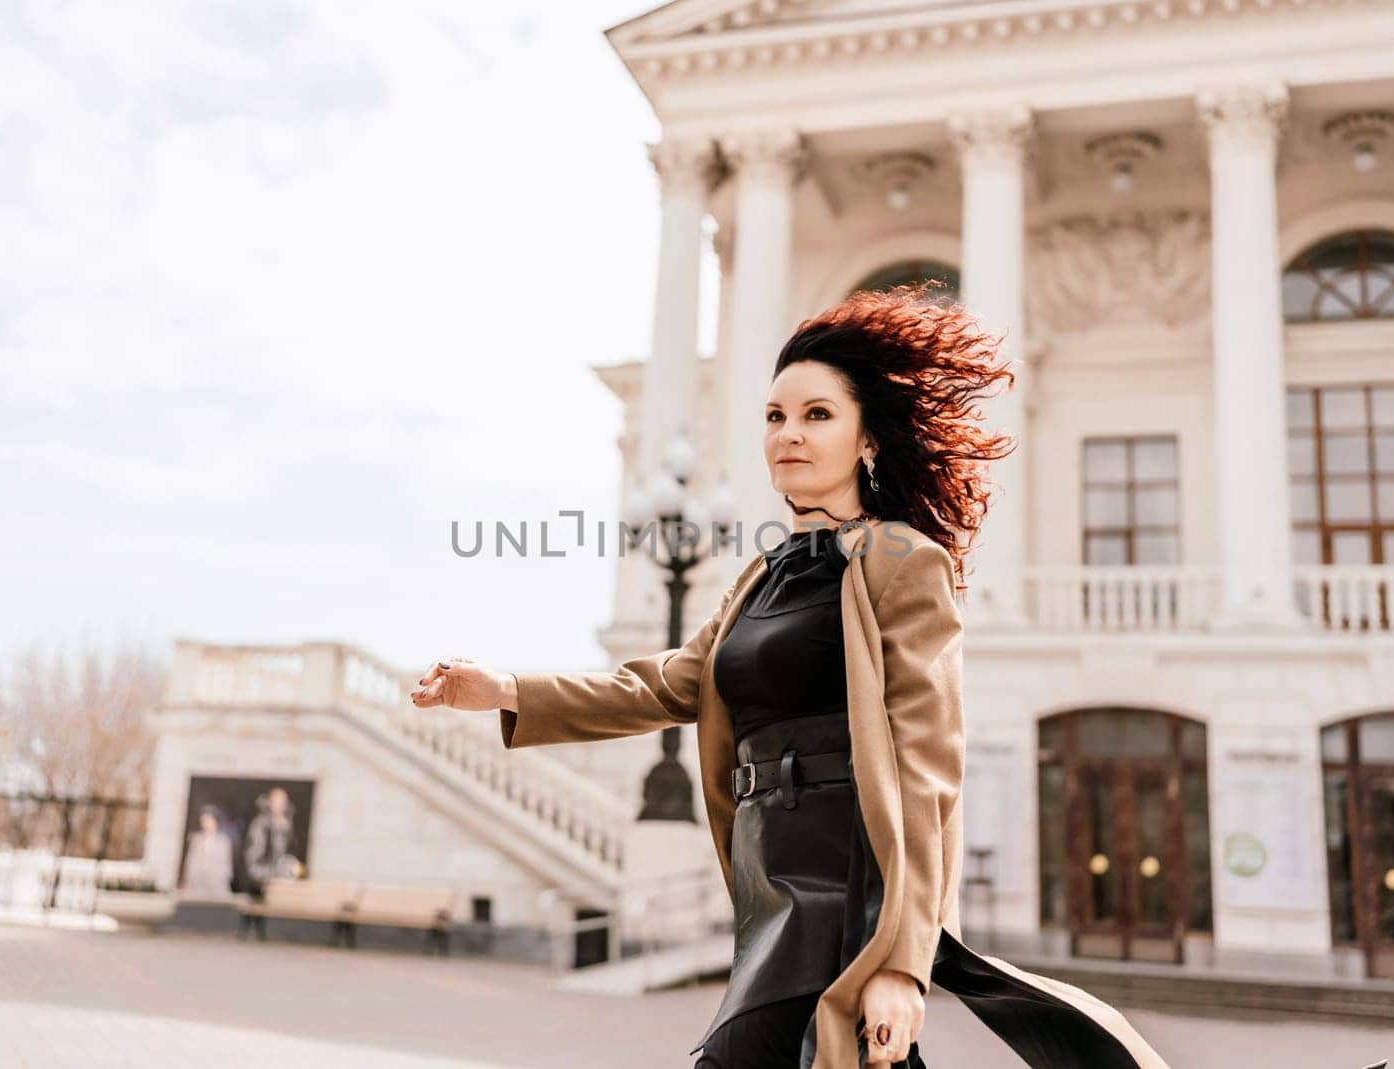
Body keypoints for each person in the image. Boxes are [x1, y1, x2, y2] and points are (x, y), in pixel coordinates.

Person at [411, 281, 1169, 1068]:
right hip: (770, 888)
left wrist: (904, 961)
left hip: (845, 894)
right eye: (775, 416)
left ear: (866, 438)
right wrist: (502, 690)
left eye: (816, 415)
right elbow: (665, 684)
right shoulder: (759, 578)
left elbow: (927, 768)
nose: (788, 434)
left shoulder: (901, 561)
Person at [243, 786, 303, 893]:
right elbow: (253, 864)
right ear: (269, 803)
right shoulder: (260, 825)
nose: (279, 805)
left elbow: (292, 854)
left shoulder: (289, 826)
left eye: (282, 802)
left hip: (284, 884)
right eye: (276, 801)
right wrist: (273, 873)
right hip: (263, 883)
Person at [180, 807, 235, 898]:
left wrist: (220, 878)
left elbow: (226, 865)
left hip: (216, 885)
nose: (205, 824)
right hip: (197, 883)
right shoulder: (197, 839)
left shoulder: (223, 841)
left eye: (208, 820)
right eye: (203, 821)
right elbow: (190, 861)